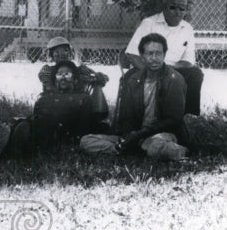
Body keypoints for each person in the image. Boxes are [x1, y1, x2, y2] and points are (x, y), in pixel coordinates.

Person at [81, 32, 189, 161]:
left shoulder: (174, 79)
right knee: (86, 141)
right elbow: (127, 117)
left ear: (164, 55)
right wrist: (128, 137)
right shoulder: (134, 79)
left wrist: (139, 135)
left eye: (158, 53)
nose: (154, 58)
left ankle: (181, 150)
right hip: (138, 136)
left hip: (163, 134)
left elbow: (173, 120)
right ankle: (127, 149)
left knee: (155, 145)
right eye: (149, 53)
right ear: (142, 56)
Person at [0, 60, 110, 161]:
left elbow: (87, 123)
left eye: (67, 74)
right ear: (55, 80)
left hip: (65, 134)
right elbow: (37, 113)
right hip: (45, 128)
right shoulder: (45, 97)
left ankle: (11, 147)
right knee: (29, 125)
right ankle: (11, 139)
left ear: (75, 80)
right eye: (59, 74)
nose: (63, 77)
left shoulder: (83, 98)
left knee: (37, 134)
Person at [121, 0, 204, 116]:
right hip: (147, 68)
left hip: (173, 69)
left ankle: (188, 118)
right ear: (164, 8)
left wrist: (170, 69)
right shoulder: (149, 23)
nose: (177, 12)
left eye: (182, 8)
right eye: (173, 7)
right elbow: (132, 54)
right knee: (130, 79)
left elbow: (188, 61)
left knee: (195, 74)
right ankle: (129, 125)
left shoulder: (187, 28)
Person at [38, 36, 109, 93]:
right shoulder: (48, 70)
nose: (61, 54)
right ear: (51, 55)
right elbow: (45, 79)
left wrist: (96, 77)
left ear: (70, 53)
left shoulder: (80, 69)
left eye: (65, 50)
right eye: (56, 51)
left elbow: (102, 77)